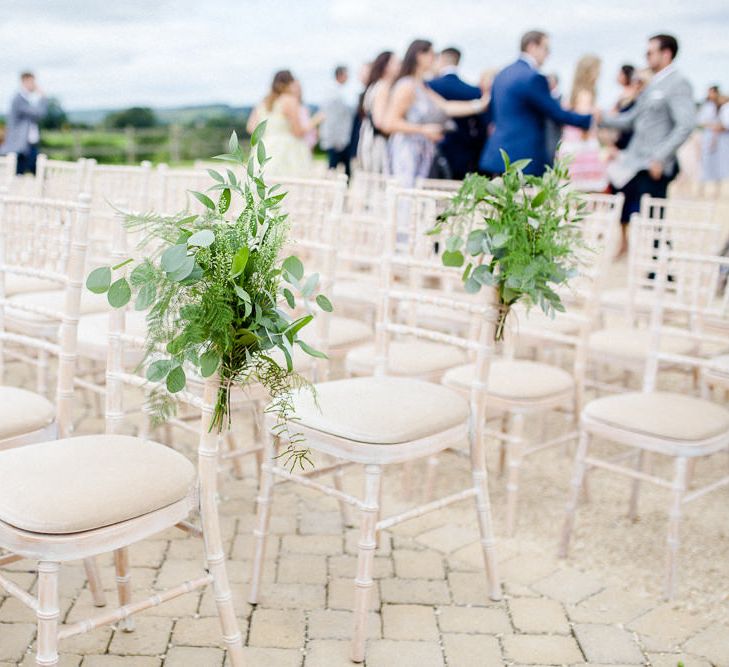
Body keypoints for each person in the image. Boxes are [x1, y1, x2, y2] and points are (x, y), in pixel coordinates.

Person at [600, 34, 696, 257]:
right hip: (636, 163)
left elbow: (686, 124)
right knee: (642, 217)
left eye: (650, 52)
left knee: (654, 220)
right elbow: (631, 119)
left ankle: (661, 269)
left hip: (653, 165)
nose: (646, 57)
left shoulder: (678, 83)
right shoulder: (653, 84)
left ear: (666, 53)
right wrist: (601, 117)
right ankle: (657, 267)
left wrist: (660, 157)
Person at [479, 30, 592, 177]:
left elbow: (491, 113)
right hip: (523, 158)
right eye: (546, 48)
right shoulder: (533, 77)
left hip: (497, 155)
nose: (548, 54)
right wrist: (588, 119)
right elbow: (555, 112)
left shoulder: (502, 74)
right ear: (532, 46)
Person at [384, 39, 488, 187]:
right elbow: (390, 123)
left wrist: (480, 104)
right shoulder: (406, 86)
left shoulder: (422, 85)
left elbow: (447, 107)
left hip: (424, 152)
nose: (436, 59)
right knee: (405, 197)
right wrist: (423, 130)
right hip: (407, 152)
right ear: (420, 56)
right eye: (432, 54)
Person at [247, 70, 323, 177]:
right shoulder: (289, 100)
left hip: (264, 146)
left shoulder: (264, 102)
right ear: (290, 83)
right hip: (288, 150)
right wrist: (315, 121)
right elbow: (298, 132)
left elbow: (251, 128)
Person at [427, 47, 488, 179]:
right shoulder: (473, 91)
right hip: (465, 152)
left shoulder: (429, 86)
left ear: (442, 58)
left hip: (432, 150)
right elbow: (481, 125)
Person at [558, 55, 607, 191]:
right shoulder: (585, 94)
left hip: (571, 146)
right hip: (581, 148)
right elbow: (584, 124)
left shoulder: (573, 94)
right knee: (584, 194)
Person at [358, 51, 399, 174]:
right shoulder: (383, 87)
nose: (399, 66)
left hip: (369, 137)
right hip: (378, 142)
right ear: (386, 66)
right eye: (396, 63)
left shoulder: (375, 85)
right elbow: (379, 122)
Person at [1, 72, 47, 175]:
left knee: (36, 173)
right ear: (25, 81)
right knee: (20, 174)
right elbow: (39, 113)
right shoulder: (19, 100)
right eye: (32, 82)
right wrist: (43, 97)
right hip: (21, 146)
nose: (35, 85)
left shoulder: (25, 99)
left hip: (27, 145)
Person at [319, 65, 354, 177]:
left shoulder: (336, 91)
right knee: (334, 169)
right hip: (337, 139)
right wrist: (337, 140)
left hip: (338, 138)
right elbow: (334, 120)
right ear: (341, 75)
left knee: (342, 169)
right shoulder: (334, 93)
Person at [698, 86, 725, 186]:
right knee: (705, 163)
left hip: (720, 138)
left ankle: (718, 187)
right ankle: (702, 187)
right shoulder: (707, 106)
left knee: (719, 163)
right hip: (708, 137)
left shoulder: (721, 106)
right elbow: (701, 121)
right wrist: (712, 126)